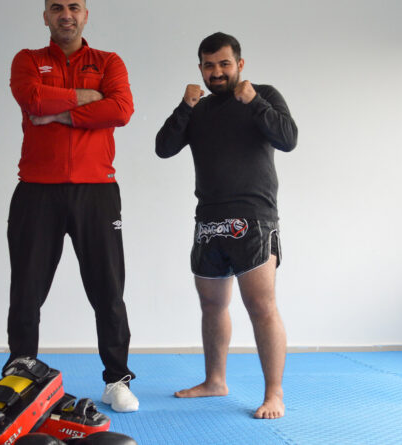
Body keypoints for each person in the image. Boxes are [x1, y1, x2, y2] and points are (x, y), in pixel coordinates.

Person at [155, 32, 298, 419]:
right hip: (209, 219)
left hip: (254, 217)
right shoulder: (197, 108)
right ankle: (214, 381)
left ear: (240, 64)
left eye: (224, 64)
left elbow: (288, 139)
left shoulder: (263, 95)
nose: (216, 72)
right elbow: (164, 147)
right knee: (212, 305)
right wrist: (185, 106)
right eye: (208, 65)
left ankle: (274, 394)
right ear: (200, 68)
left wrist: (254, 103)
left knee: (261, 306)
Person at [4, 0, 138, 413]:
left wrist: (60, 114)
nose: (66, 14)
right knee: (26, 292)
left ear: (85, 14)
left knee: (108, 290)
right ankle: (20, 377)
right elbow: (32, 99)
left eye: (74, 6)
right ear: (45, 15)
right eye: (57, 7)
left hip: (97, 191)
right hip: (36, 191)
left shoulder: (109, 61)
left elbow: (121, 109)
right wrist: (87, 98)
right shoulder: (27, 60)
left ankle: (116, 379)